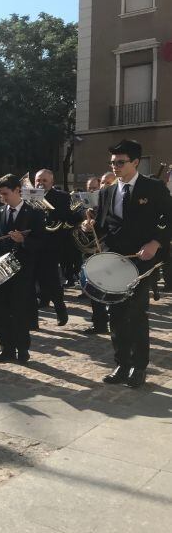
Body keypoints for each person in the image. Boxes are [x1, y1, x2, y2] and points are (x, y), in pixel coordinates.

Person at [81, 139, 172, 388]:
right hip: (115, 261)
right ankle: (122, 363)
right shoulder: (107, 192)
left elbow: (169, 219)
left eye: (120, 162)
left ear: (135, 162)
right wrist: (88, 226)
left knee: (136, 313)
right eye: (112, 163)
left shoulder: (153, 187)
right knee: (116, 315)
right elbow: (102, 227)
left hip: (144, 261)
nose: (115, 167)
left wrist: (156, 242)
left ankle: (139, 367)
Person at [0, 174, 45, 363]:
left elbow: (41, 242)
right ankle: (6, 349)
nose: (3, 198)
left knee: (19, 311)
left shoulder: (35, 213)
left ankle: (23, 349)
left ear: (18, 190)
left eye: (6, 193)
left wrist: (24, 240)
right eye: (0, 194)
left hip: (22, 270)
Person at [32, 169, 70, 326]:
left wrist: (46, 210)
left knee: (52, 279)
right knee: (32, 279)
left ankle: (61, 311)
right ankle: (33, 318)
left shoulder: (61, 196)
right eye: (38, 180)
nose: (40, 183)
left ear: (52, 182)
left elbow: (64, 216)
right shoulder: (29, 195)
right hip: (33, 242)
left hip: (51, 244)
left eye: (44, 180)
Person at [82, 171, 116, 335]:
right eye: (102, 182)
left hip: (113, 252)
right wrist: (85, 225)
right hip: (95, 252)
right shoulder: (96, 205)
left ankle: (115, 323)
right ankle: (99, 323)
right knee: (95, 288)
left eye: (108, 183)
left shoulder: (118, 203)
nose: (103, 186)